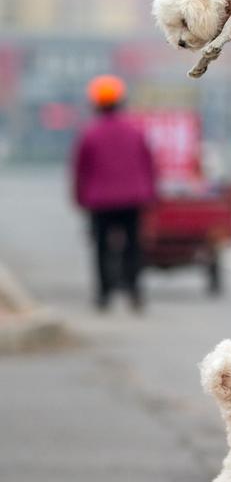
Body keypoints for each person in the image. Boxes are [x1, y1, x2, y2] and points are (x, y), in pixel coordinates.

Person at [72, 75, 156, 311]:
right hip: (132, 199)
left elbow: (80, 170)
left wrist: (80, 198)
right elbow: (148, 165)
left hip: (100, 201)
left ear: (95, 103)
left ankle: (103, 294)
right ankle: (134, 291)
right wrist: (150, 195)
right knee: (132, 246)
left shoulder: (90, 133)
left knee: (101, 248)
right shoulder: (134, 131)